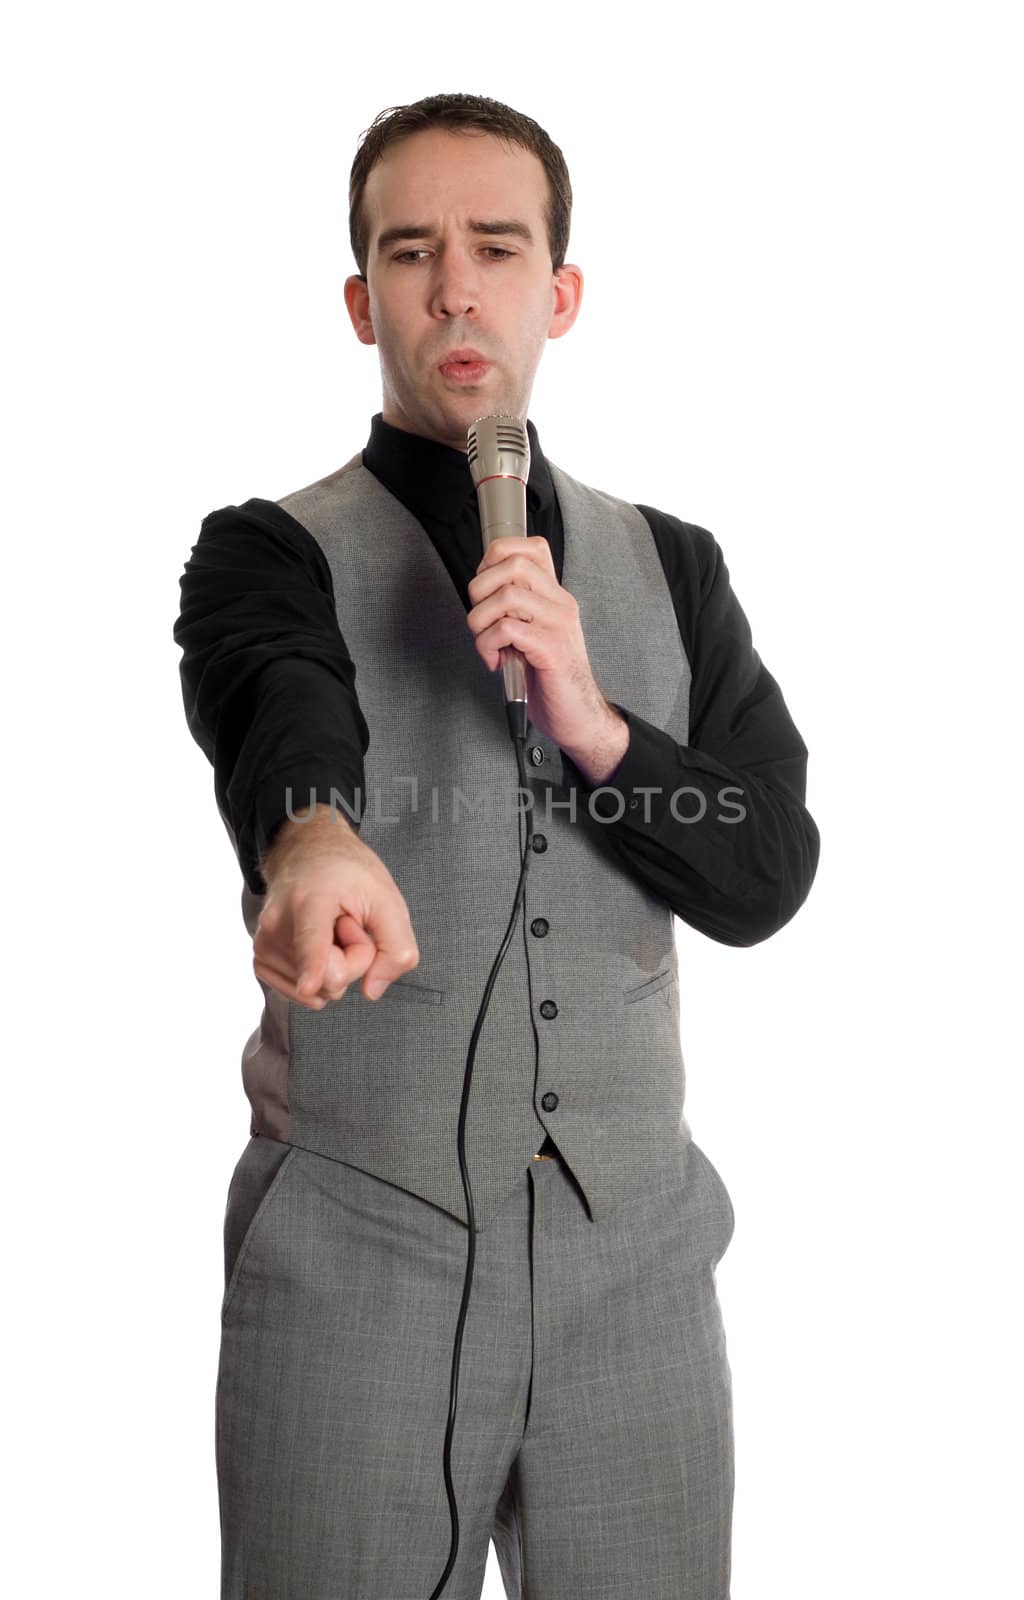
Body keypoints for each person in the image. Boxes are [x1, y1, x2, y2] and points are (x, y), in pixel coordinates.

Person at [174, 91, 819, 1600]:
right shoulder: (269, 550)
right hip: (354, 1267)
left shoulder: (678, 567)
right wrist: (314, 838)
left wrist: (598, 727)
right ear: (362, 300)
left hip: (636, 1269)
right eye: (412, 252)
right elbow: (280, 702)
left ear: (560, 293)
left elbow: (765, 865)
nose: (456, 286)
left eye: (497, 247)